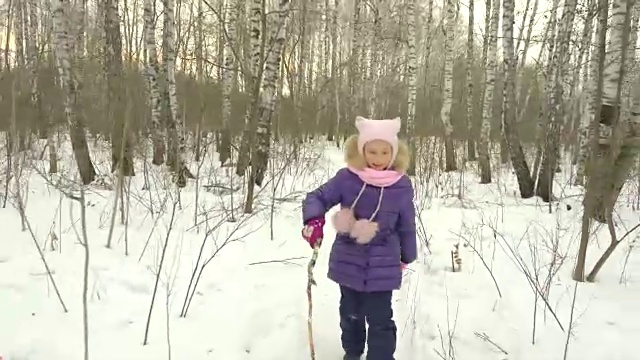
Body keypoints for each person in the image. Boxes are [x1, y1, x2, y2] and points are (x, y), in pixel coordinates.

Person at [301, 116, 417, 360]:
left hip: (384, 263)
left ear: (394, 153)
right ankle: (352, 354)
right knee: (350, 314)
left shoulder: (401, 185)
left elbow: (406, 224)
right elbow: (317, 197)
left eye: (385, 152)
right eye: (372, 151)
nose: (378, 159)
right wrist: (314, 220)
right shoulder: (347, 178)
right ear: (361, 150)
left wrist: (407, 255)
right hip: (348, 260)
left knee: (380, 318)